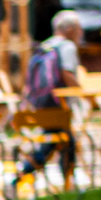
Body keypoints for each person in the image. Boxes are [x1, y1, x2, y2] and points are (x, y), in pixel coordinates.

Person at [19, 12, 83, 179]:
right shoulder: (67, 47)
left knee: (55, 142)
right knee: (65, 143)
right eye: (78, 28)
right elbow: (67, 74)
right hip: (59, 105)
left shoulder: (44, 46)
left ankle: (21, 175)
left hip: (42, 103)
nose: (80, 32)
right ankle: (67, 183)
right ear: (69, 29)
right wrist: (81, 94)